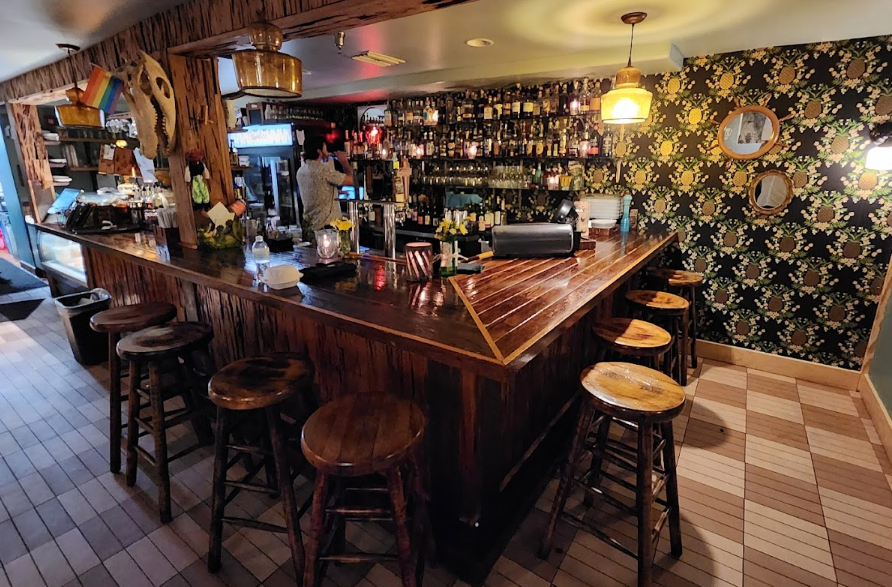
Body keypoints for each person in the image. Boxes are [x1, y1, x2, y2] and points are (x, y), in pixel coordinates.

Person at [296, 136, 353, 230]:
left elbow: (317, 191)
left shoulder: (301, 171)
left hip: (310, 225)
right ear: (319, 151)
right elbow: (351, 181)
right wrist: (344, 162)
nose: (328, 151)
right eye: (325, 148)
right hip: (327, 228)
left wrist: (338, 192)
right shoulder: (323, 171)